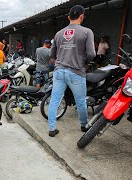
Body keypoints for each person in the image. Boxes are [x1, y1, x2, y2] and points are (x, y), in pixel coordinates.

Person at [48, 5, 96, 137]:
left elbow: (52, 55)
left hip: (59, 71)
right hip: (76, 72)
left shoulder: (58, 33)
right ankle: (83, 125)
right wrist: (83, 63)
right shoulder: (87, 32)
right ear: (82, 16)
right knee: (80, 101)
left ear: (69, 17)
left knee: (54, 100)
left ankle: (52, 129)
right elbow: (92, 54)